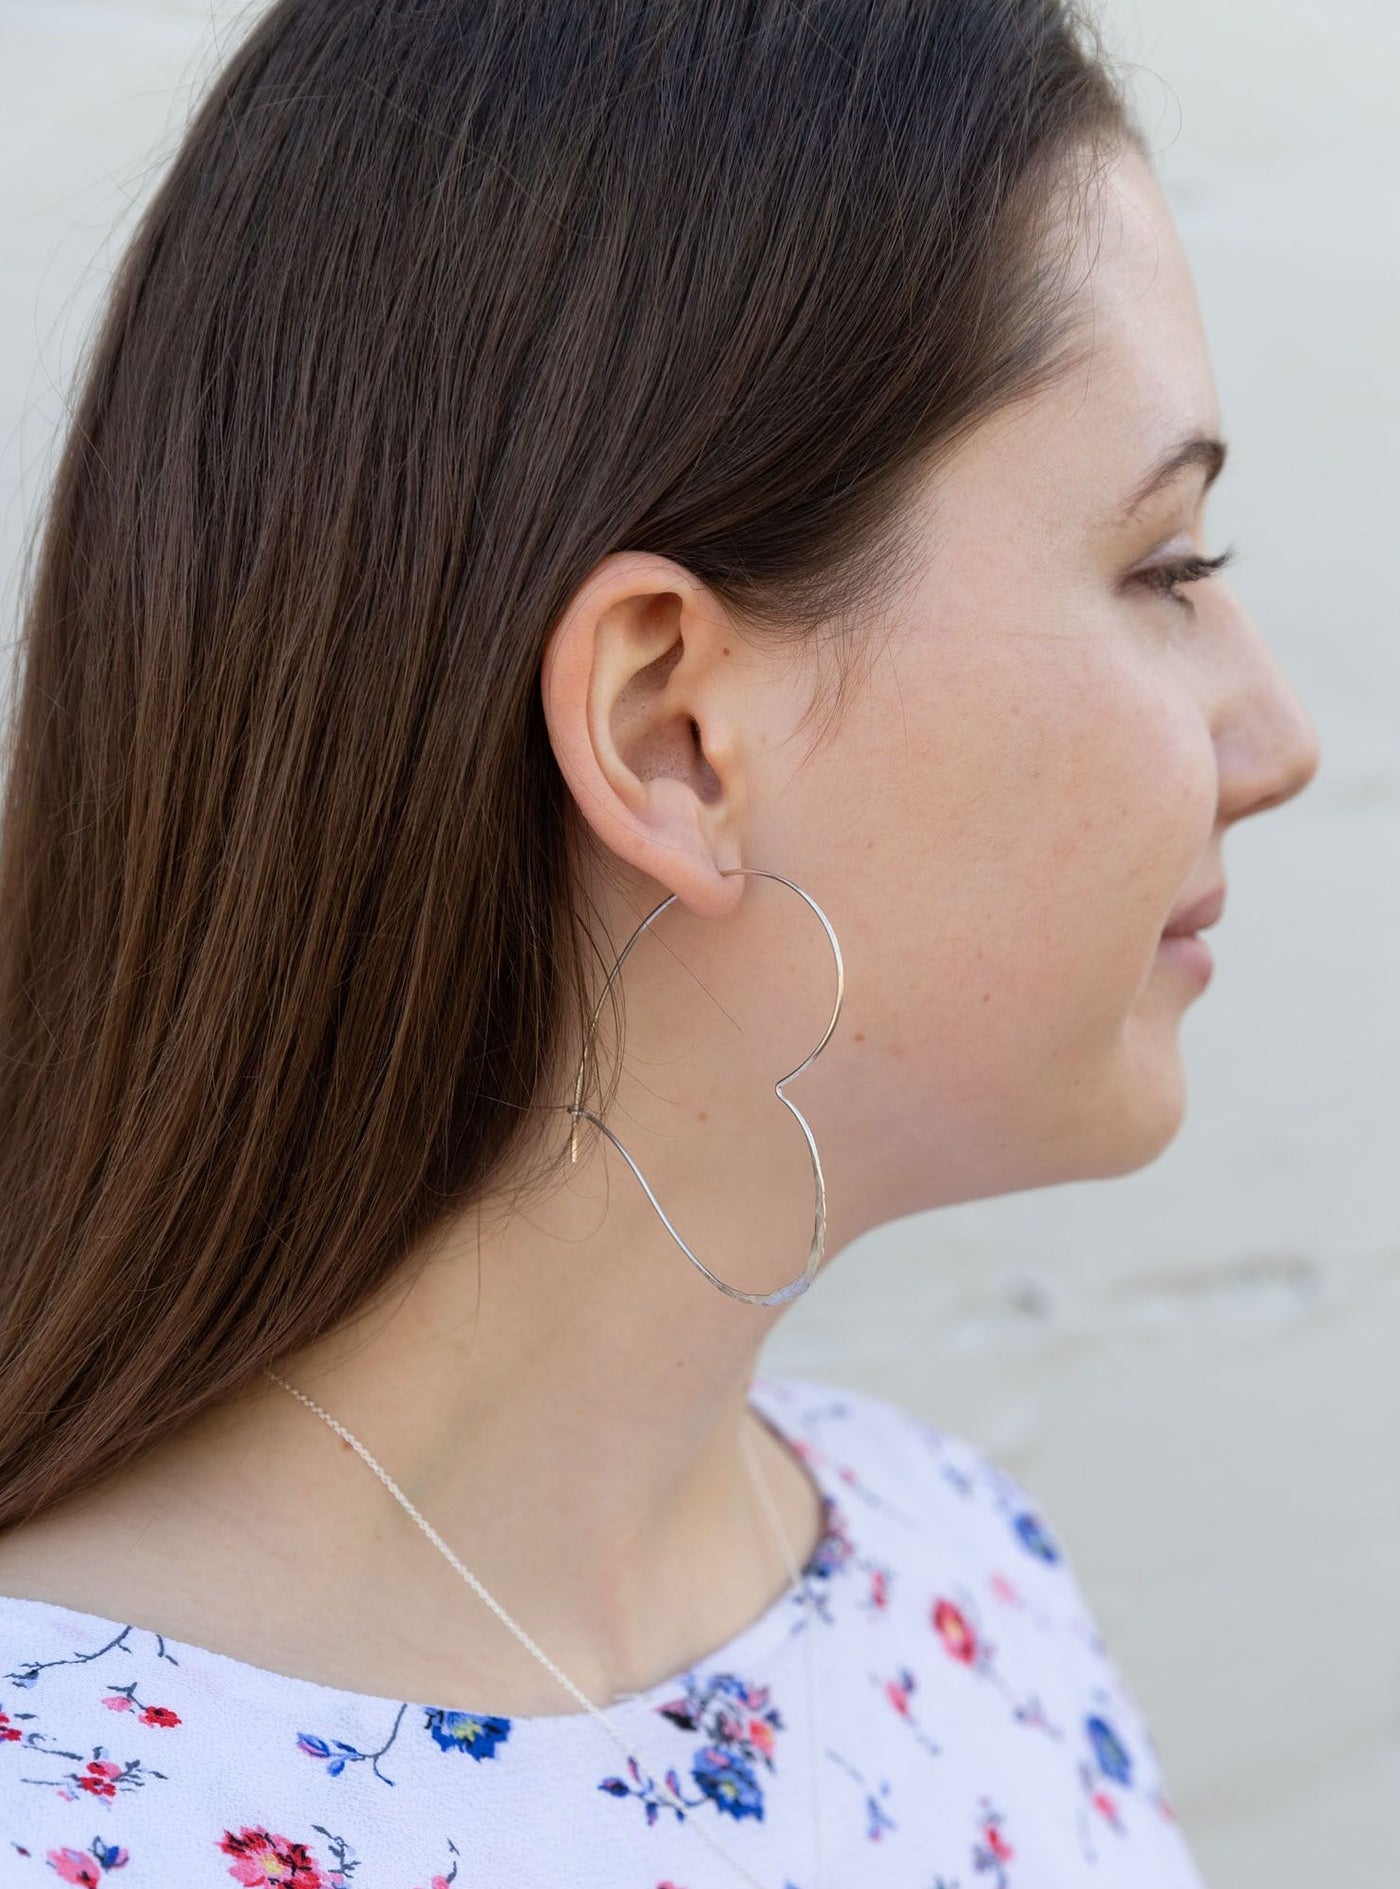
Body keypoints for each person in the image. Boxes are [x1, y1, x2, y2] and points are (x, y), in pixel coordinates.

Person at [0, 0, 1318, 1884]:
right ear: (670, 732)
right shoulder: (73, 1821)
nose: (1279, 740)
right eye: (1165, 569)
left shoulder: (961, 1580)